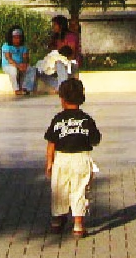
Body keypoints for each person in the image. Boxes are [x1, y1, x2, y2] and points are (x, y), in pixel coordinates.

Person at [43, 76, 101, 238]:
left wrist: (49, 163)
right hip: (81, 158)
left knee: (59, 189)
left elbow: (51, 143)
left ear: (62, 99)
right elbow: (95, 140)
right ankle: (78, 225)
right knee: (80, 189)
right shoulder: (87, 119)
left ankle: (57, 221)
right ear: (82, 98)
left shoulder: (57, 119)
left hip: (61, 159)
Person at [1, 27, 34, 95]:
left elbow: (25, 58)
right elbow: (9, 59)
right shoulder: (6, 45)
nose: (17, 40)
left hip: (20, 65)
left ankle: (26, 88)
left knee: (31, 69)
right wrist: (18, 66)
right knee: (13, 70)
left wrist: (24, 64)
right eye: (15, 38)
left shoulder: (24, 46)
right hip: (8, 65)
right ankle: (16, 89)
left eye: (19, 37)